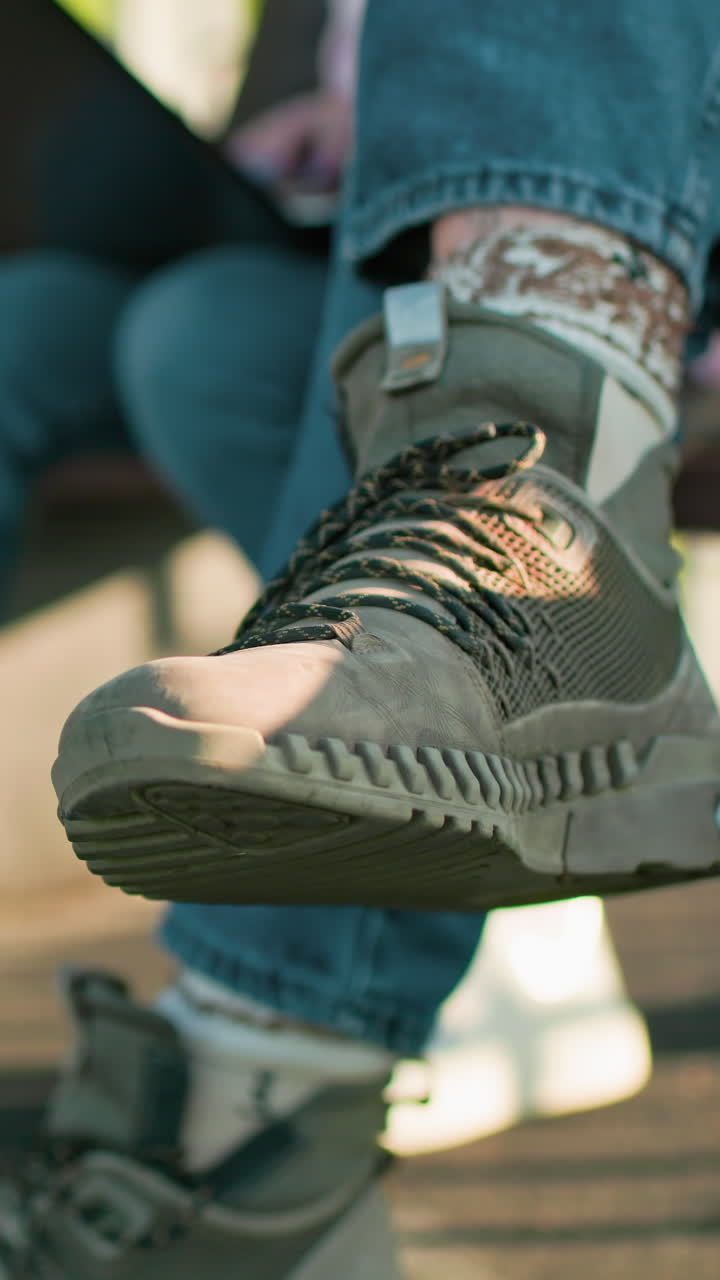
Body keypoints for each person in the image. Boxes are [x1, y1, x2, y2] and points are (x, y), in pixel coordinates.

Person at [6, 1, 720, 1276]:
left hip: (636, 258)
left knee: (219, 337)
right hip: (379, 240)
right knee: (110, 331)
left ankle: (262, 1093)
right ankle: (481, 781)